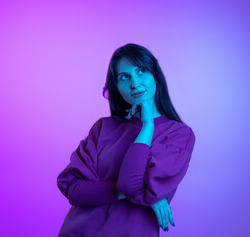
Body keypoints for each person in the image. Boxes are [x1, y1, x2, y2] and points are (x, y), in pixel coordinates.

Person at [56, 43, 196, 237]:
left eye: (141, 71)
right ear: (117, 87)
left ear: (156, 77)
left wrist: (147, 125)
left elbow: (128, 185)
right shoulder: (103, 127)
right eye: (124, 77)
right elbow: (75, 190)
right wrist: (146, 196)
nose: (134, 83)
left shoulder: (178, 134)